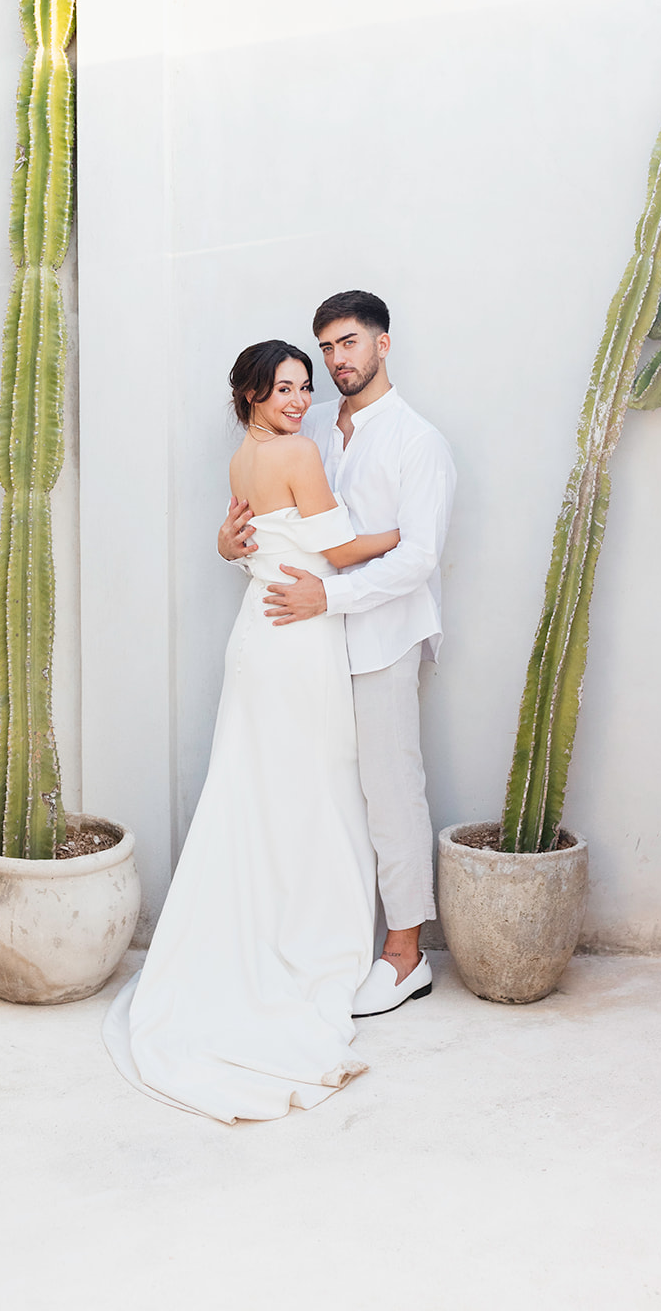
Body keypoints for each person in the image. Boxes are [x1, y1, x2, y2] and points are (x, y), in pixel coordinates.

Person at [103, 340, 401, 1123]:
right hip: (294, 640)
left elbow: (241, 540)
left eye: (305, 387)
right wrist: (403, 537)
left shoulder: (243, 459)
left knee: (261, 787)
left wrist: (226, 545)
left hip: (259, 634)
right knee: (310, 789)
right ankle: (304, 942)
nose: (300, 400)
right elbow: (338, 550)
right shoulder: (297, 452)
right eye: (283, 388)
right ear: (250, 394)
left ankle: (265, 929)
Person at [219, 291, 456, 1019]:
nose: (334, 360)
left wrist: (331, 599)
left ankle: (404, 956)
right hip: (305, 645)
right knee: (313, 792)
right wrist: (233, 550)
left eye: (348, 343)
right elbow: (278, 531)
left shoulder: (418, 442)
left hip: (378, 638)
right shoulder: (305, 424)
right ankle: (327, 937)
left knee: (388, 791)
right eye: (324, 347)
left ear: (382, 345)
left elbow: (417, 558)